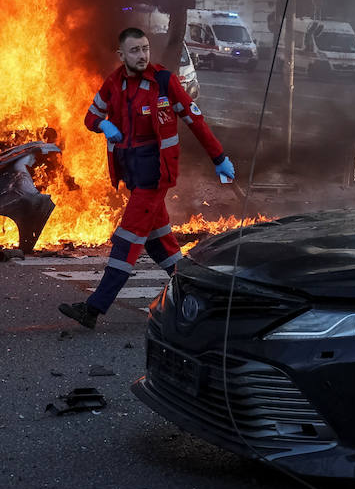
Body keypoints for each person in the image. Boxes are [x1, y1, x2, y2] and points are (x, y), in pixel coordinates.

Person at [59, 26, 235, 329]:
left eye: (145, 49)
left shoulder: (164, 82)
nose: (142, 55)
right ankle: (206, 296)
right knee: (160, 242)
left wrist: (219, 157)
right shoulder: (113, 85)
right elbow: (90, 117)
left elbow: (195, 120)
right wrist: (103, 126)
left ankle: (94, 308)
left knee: (127, 239)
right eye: (135, 51)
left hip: (156, 176)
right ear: (121, 55)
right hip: (133, 176)